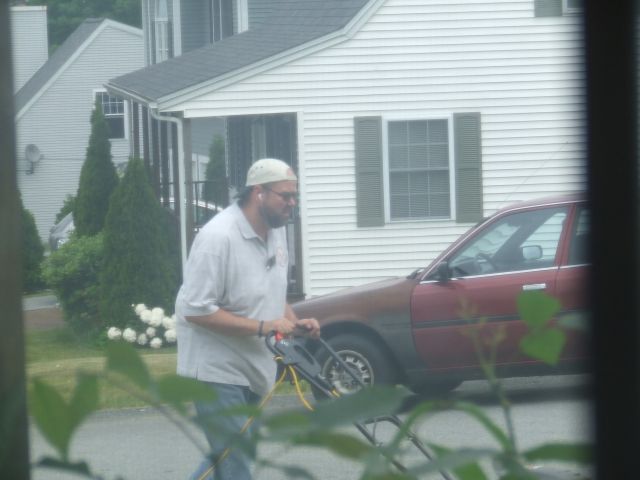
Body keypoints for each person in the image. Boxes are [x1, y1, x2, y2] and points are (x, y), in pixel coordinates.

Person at [175, 158, 320, 480]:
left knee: (226, 460)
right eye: (285, 196)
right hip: (216, 369)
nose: (292, 203)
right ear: (258, 192)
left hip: (255, 366)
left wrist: (294, 323)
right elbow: (195, 310)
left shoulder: (276, 233)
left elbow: (272, 291)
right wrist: (265, 327)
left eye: (294, 196)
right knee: (236, 464)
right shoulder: (218, 238)